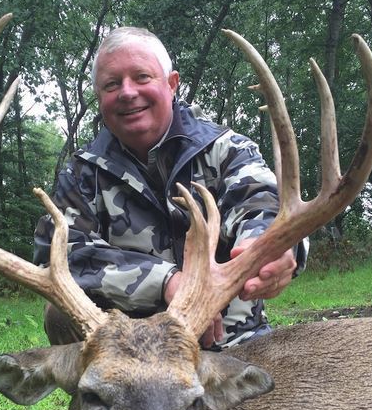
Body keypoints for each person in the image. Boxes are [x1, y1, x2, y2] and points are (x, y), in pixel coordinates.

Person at [34, 27, 307, 350]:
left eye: (142, 77)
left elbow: (262, 201)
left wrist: (271, 247)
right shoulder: (81, 174)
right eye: (111, 84)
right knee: (59, 313)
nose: (127, 92)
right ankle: (99, 384)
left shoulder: (226, 149)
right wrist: (167, 282)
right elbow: (62, 256)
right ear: (99, 96)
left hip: (233, 342)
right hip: (130, 352)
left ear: (172, 83)